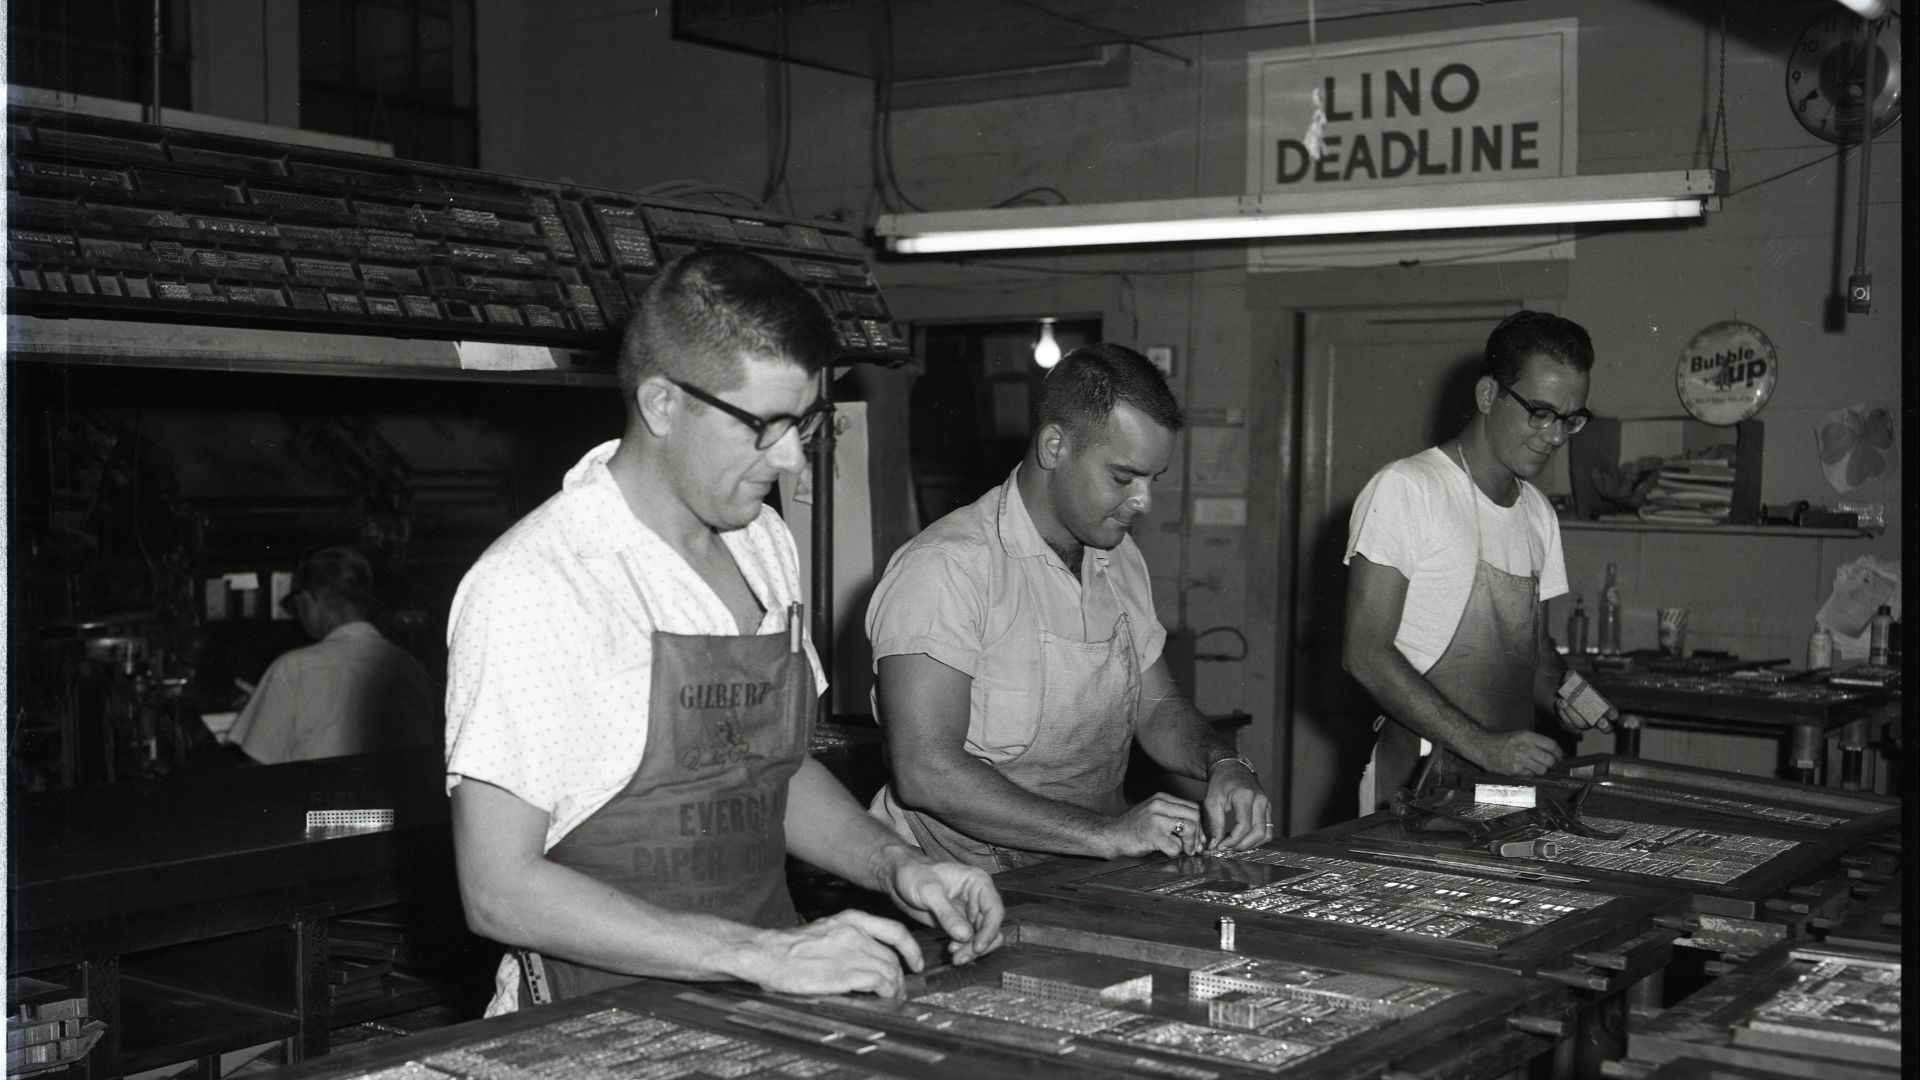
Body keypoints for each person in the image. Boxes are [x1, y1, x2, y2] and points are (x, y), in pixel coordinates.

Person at [443, 249, 1002, 1016]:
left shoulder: (762, 542)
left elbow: (769, 763)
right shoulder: (538, 584)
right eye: (763, 426)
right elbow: (497, 890)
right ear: (663, 405)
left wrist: (896, 864)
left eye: (802, 423)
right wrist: (758, 954)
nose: (790, 460)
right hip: (595, 1020)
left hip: (767, 991)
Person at [866, 343, 1272, 872]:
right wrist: (1107, 833)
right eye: (1123, 478)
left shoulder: (1118, 556)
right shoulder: (947, 567)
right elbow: (925, 772)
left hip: (1078, 862)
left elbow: (1155, 707)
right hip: (953, 876)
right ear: (1055, 446)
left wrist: (1225, 763)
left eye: (1155, 479)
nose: (1144, 502)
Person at [1343, 310, 1618, 813]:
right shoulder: (1409, 489)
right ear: (1488, 395)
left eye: (1570, 419)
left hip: (1503, 788)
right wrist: (1487, 747)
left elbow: (1531, 652)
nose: (1555, 436)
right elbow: (1365, 655)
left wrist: (1572, 691)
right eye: (1540, 412)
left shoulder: (1538, 514)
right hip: (1416, 789)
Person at [226, 545, 439, 764]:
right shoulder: (413, 669)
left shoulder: (293, 669)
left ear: (309, 600)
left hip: (310, 797)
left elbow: (259, 767)